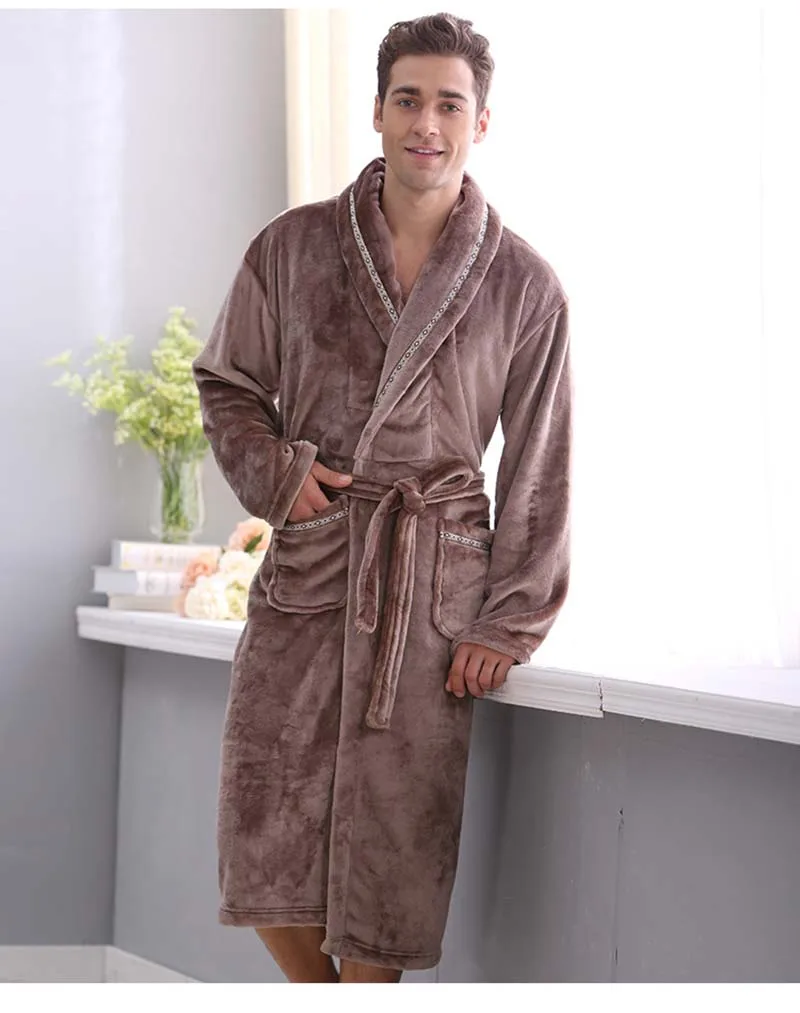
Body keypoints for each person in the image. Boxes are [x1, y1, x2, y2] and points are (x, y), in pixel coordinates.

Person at [192, 12, 572, 984]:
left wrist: (510, 613)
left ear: (480, 122)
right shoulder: (292, 247)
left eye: (448, 103)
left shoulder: (524, 286)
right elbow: (227, 382)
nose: (425, 123)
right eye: (407, 99)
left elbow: (541, 460)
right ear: (376, 111)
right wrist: (279, 475)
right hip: (314, 569)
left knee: (389, 870)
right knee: (262, 834)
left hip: (428, 596)